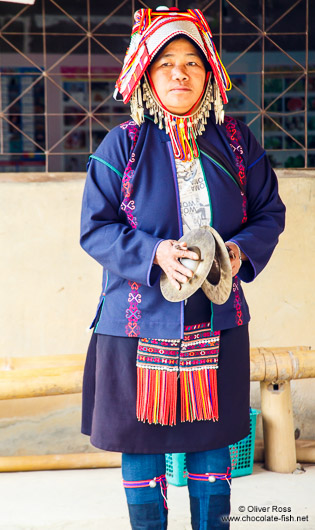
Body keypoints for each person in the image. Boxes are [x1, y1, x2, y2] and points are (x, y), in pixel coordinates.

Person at [80, 7, 285, 529]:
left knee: (213, 441)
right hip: (136, 323)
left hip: (216, 320)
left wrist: (239, 252)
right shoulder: (123, 146)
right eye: (166, 62)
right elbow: (95, 228)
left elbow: (269, 213)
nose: (179, 73)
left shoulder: (237, 144)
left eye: (192, 62)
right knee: (140, 443)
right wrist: (156, 254)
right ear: (146, 74)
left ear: (210, 74)